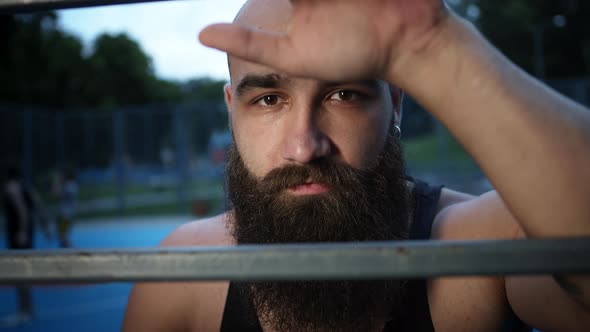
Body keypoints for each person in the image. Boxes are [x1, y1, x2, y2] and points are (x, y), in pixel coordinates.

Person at [123, 0, 590, 331]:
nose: (305, 146)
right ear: (231, 109)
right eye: (268, 99)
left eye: (343, 95)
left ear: (396, 103)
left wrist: (433, 44)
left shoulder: (478, 247)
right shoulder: (182, 273)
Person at [1, 165, 36, 324]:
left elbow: (22, 210)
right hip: (27, 233)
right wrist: (45, 225)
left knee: (19, 272)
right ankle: (28, 308)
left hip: (18, 235)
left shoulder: (11, 188)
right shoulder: (24, 186)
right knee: (24, 272)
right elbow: (37, 203)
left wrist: (21, 230)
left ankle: (24, 310)